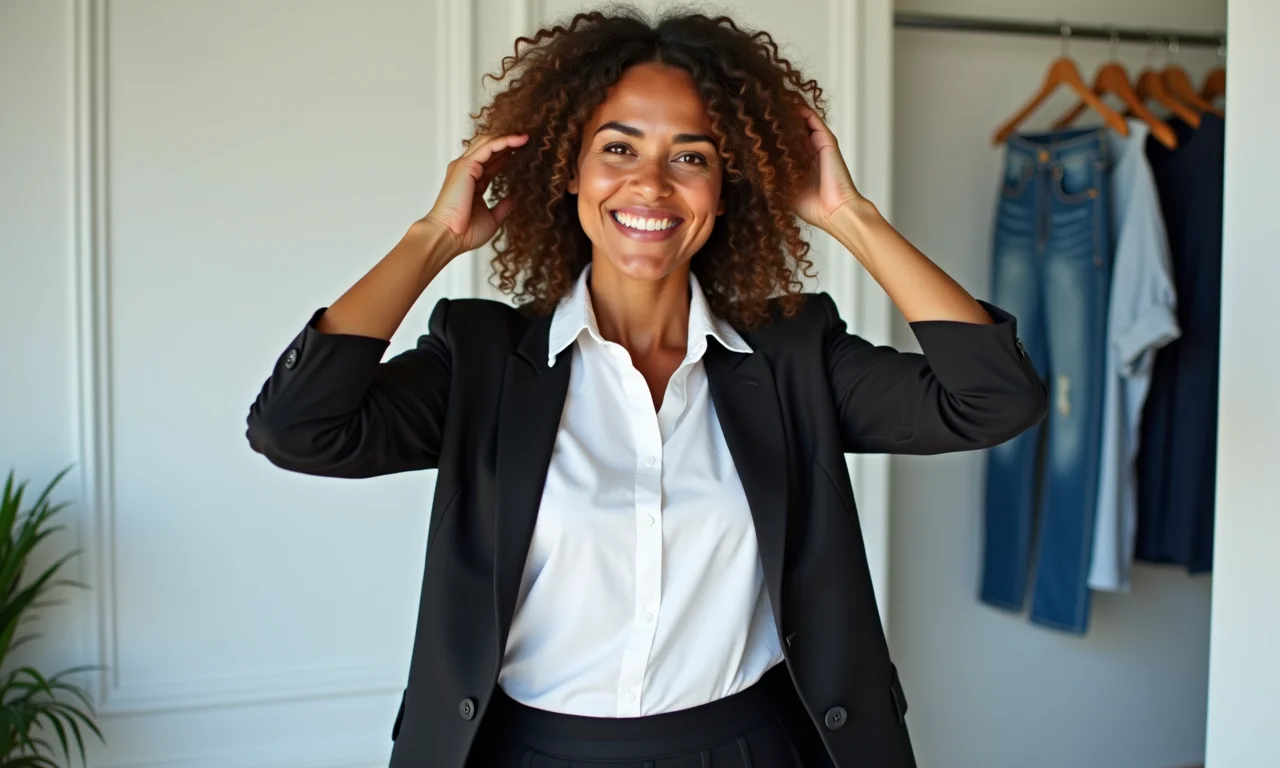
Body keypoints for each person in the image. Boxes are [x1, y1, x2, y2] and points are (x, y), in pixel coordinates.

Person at [245, 7, 1046, 768]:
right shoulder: (482, 360)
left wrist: (849, 215)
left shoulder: (793, 357)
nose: (652, 185)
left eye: (691, 156)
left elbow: (993, 399)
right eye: (619, 149)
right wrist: (433, 240)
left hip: (750, 749)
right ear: (569, 168)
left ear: (726, 186)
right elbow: (299, 428)